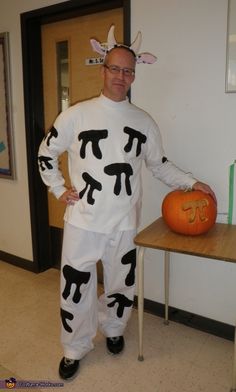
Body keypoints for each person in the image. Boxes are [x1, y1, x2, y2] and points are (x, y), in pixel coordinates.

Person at [38, 26, 216, 381]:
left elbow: (158, 164)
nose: (122, 76)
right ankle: (74, 347)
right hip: (82, 221)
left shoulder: (143, 122)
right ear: (103, 70)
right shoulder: (76, 115)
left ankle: (115, 330)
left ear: (135, 74)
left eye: (128, 70)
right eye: (115, 68)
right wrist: (58, 189)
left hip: (123, 222)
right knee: (77, 288)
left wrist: (191, 182)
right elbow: (47, 152)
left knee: (121, 284)